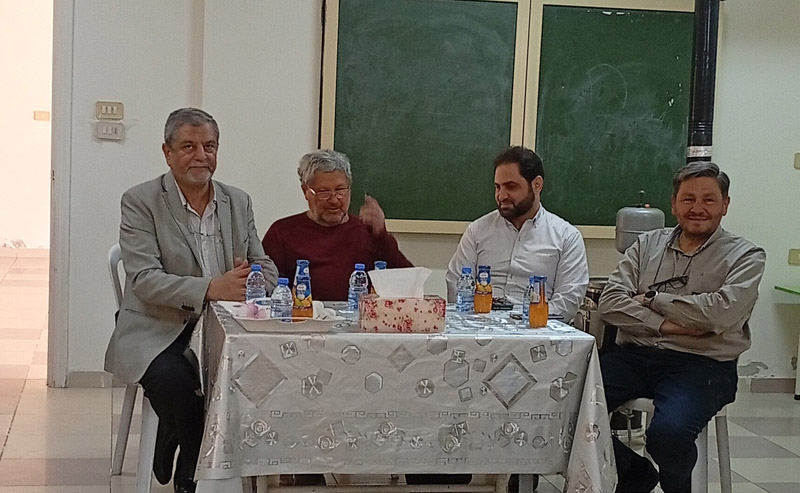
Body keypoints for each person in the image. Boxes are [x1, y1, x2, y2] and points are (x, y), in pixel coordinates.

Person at [103, 108, 277, 493]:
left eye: (209, 147)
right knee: (176, 381)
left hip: (225, 328)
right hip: (157, 327)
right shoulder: (141, 201)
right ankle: (191, 474)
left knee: (267, 373)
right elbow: (145, 281)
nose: (201, 156)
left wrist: (252, 282)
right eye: (188, 147)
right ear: (167, 153)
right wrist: (212, 288)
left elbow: (264, 264)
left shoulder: (237, 201)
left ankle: (176, 437)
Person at [599, 161, 765, 493]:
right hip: (634, 355)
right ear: (674, 204)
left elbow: (719, 314)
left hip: (703, 364)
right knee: (564, 408)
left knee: (668, 434)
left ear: (725, 205)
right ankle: (635, 473)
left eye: (708, 199)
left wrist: (653, 298)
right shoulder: (646, 245)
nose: (697, 208)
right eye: (688, 199)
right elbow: (611, 302)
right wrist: (667, 326)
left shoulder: (746, 256)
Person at [446, 146, 589, 322]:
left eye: (511, 187)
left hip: (538, 330)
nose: (501, 196)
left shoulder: (567, 237)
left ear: (537, 185)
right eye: (497, 187)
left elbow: (567, 303)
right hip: (481, 326)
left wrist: (520, 320)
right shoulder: (477, 231)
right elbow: (457, 287)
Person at [262, 149, 413, 301]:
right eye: (324, 192)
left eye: (340, 190)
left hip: (358, 314)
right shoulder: (282, 233)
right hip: (305, 314)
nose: (334, 200)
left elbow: (410, 284)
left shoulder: (367, 231)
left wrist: (381, 236)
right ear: (305, 191)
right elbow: (268, 291)